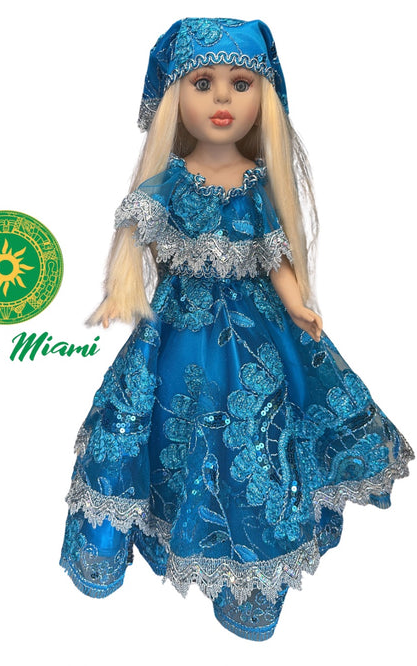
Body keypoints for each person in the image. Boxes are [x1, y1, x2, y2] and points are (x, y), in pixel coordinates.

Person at [59, 18, 413, 641]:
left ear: (263, 99)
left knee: (254, 435)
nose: (222, 98)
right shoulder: (168, 184)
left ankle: (245, 568)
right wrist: (120, 293)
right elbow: (134, 239)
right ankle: (179, 527)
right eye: (203, 83)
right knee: (166, 428)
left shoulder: (257, 186)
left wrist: (298, 303)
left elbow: (277, 258)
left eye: (240, 84)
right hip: (179, 335)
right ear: (174, 99)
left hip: (256, 338)